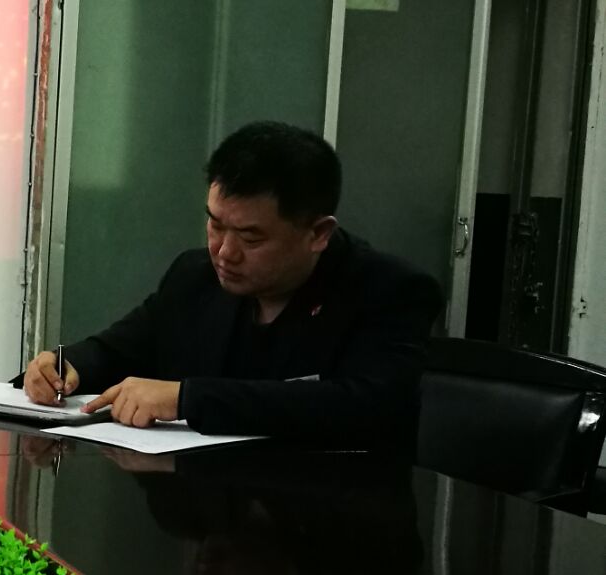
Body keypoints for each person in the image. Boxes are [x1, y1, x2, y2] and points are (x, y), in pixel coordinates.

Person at [25, 121, 441, 447]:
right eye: (215, 224)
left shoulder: (390, 291)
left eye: (250, 238)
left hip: (329, 513)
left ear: (318, 234)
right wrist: (66, 366)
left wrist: (186, 399)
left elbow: (364, 407)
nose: (224, 252)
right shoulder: (195, 276)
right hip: (211, 501)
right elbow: (121, 349)